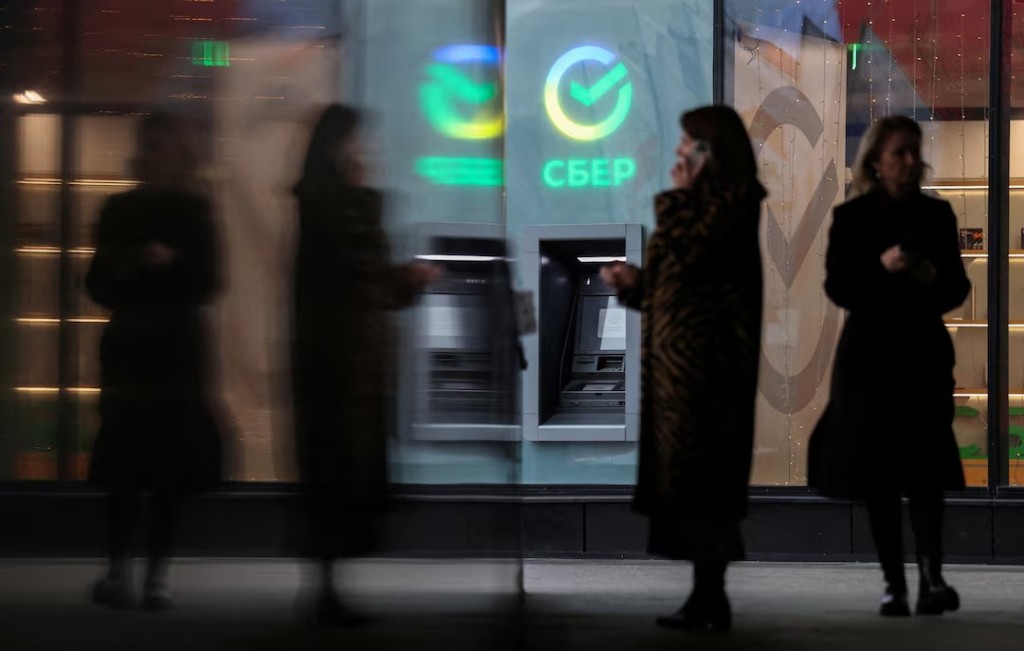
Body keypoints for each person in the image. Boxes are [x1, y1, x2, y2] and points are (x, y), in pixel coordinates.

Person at [601, 105, 766, 632]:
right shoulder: (704, 204)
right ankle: (705, 596)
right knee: (693, 485)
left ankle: (710, 599)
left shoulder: (732, 201)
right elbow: (683, 283)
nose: (678, 152)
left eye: (687, 143)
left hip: (707, 372)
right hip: (681, 370)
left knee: (704, 484)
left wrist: (674, 199)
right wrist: (638, 287)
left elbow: (696, 256)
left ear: (709, 151)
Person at [808, 115, 970, 617]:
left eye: (913, 152)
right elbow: (838, 286)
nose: (907, 161)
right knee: (878, 475)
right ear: (877, 160)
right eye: (899, 152)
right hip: (870, 359)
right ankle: (894, 583)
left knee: (924, 471)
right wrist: (881, 268)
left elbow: (957, 290)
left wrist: (925, 274)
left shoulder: (936, 215)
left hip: (920, 354)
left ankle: (931, 577)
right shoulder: (852, 218)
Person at [289, 104, 438, 626]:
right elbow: (366, 281)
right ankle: (328, 591)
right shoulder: (346, 207)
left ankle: (327, 587)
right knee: (339, 472)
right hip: (347, 365)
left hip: (330, 361)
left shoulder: (317, 206)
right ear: (338, 148)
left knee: (330, 471)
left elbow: (358, 280)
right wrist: (406, 280)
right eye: (357, 142)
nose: (367, 151)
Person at [86, 112, 224, 610]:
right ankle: (135, 572)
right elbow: (98, 281)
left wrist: (160, 265)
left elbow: (208, 281)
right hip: (151, 348)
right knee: (135, 463)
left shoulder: (174, 210)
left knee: (157, 465)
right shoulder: (174, 210)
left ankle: (141, 572)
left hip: (157, 348)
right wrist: (152, 265)